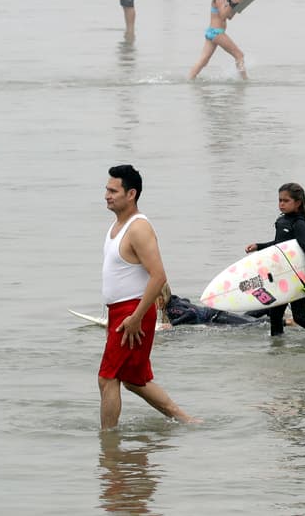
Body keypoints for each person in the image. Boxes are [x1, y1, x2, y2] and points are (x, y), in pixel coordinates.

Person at [98, 164, 196, 430]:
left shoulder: (138, 228)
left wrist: (136, 317)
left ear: (131, 194)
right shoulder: (117, 225)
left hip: (133, 312)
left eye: (113, 190)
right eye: (106, 189)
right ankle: (187, 421)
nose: (107, 195)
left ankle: (108, 443)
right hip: (121, 312)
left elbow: (158, 276)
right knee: (133, 379)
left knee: (108, 378)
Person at [243, 183, 305, 340]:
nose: (281, 204)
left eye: (286, 200)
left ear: (297, 203)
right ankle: (278, 348)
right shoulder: (283, 220)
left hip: (297, 277)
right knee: (275, 314)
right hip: (283, 275)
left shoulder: (299, 224)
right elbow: (280, 245)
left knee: (300, 317)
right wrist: (259, 246)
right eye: (279, 200)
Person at [187, 0, 246, 80]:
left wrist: (237, 4)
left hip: (211, 32)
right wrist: (232, 2)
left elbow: (229, 16)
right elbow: (223, 15)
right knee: (239, 55)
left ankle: (190, 79)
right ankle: (244, 81)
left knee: (203, 61)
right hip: (217, 33)